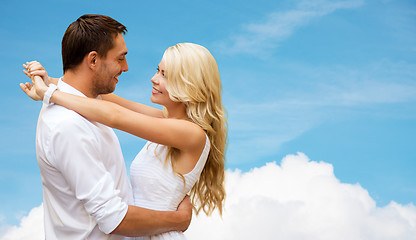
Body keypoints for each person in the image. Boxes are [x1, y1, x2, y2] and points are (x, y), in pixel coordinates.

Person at [22, 42, 227, 240]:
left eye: (165, 75)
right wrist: (49, 80)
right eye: (158, 70)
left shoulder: (191, 134)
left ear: (188, 84)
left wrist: (49, 94)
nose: (154, 79)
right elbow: (106, 100)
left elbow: (115, 116)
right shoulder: (166, 121)